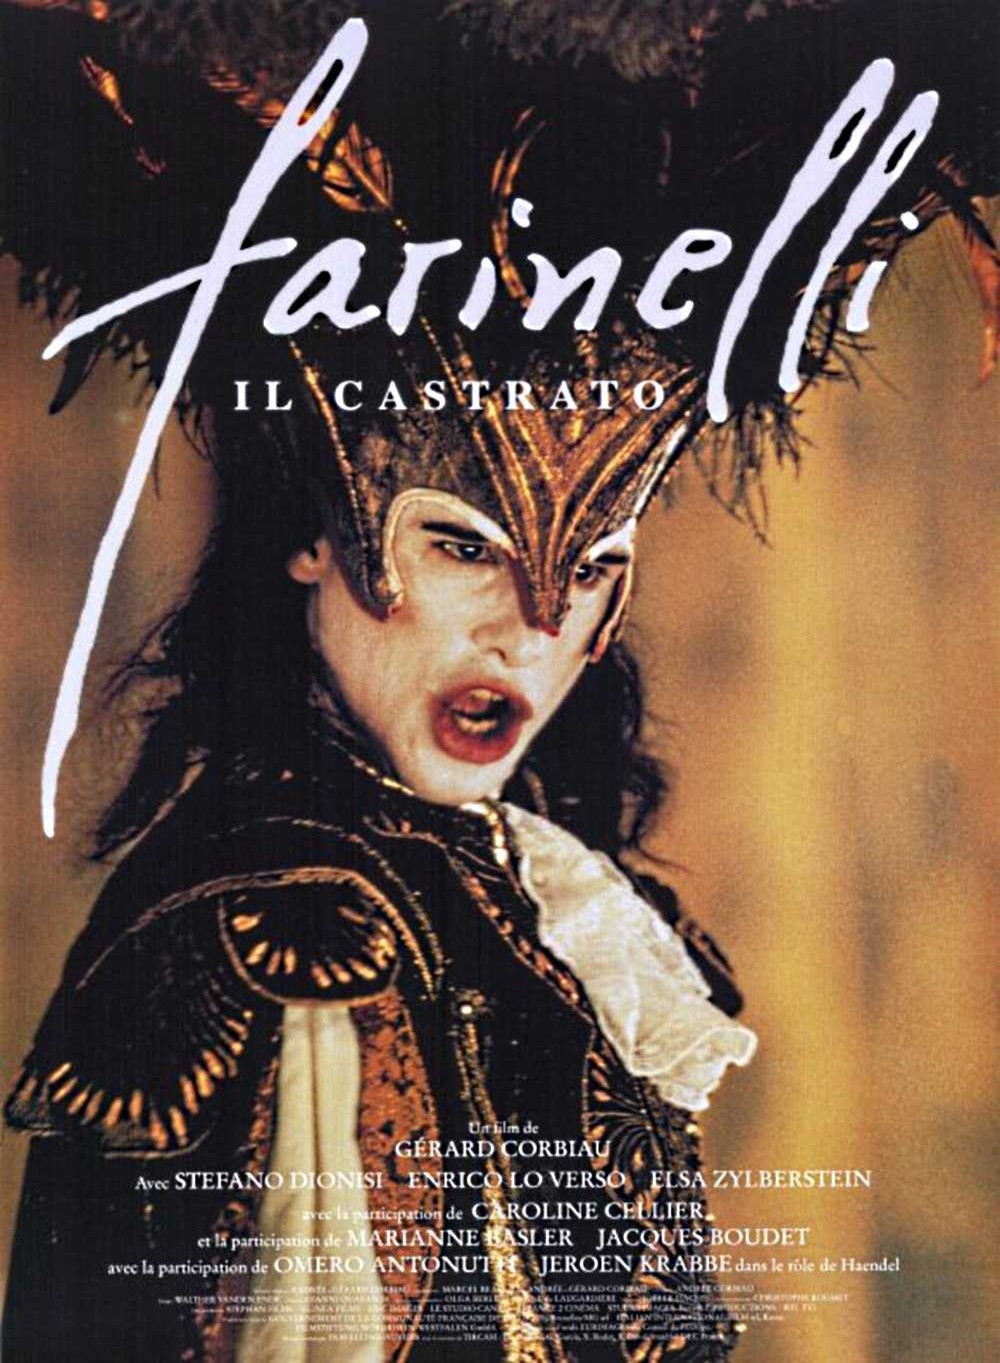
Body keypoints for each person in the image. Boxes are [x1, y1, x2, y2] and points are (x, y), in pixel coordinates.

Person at [1, 3, 994, 1361]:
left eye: (591, 567)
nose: (532, 630)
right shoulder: (299, 931)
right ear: (313, 538)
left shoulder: (531, 891)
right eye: (463, 547)